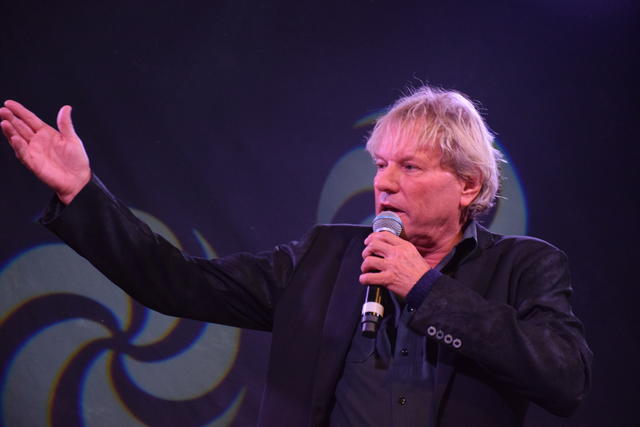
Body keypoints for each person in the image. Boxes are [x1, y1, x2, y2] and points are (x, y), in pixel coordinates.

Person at [0, 86, 592, 427]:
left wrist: (427, 290)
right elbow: (175, 282)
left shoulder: (525, 266)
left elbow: (565, 380)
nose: (384, 183)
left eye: (410, 167)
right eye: (380, 164)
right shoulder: (325, 258)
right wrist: (81, 192)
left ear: (467, 185)